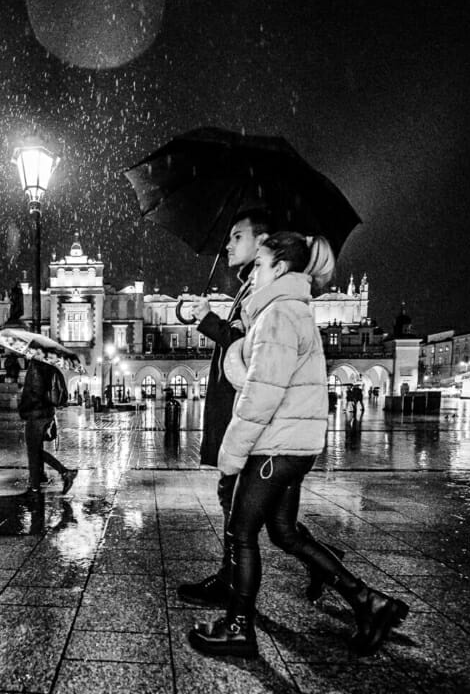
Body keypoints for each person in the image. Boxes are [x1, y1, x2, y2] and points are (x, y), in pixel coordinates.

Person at [188, 232, 408, 658]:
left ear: (280, 268)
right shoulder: (286, 310)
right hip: (294, 444)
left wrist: (231, 456)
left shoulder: (279, 314)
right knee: (285, 532)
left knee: (241, 531)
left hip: (276, 445)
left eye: (260, 263)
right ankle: (368, 601)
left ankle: (238, 628)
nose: (251, 271)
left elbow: (262, 396)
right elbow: (263, 373)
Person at [178, 208, 339, 607]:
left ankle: (235, 602)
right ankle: (338, 577)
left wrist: (210, 321)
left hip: (258, 423)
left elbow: (252, 353)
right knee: (279, 527)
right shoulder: (256, 288)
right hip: (265, 425)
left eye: (237, 236)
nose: (229, 244)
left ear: (261, 242)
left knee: (241, 521)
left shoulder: (272, 298)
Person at [18, 354, 78, 496]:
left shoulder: (36, 367)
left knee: (33, 450)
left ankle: (38, 486)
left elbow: (35, 393)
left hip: (36, 413)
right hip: (46, 413)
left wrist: (23, 409)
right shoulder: (50, 367)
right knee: (36, 449)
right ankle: (40, 479)